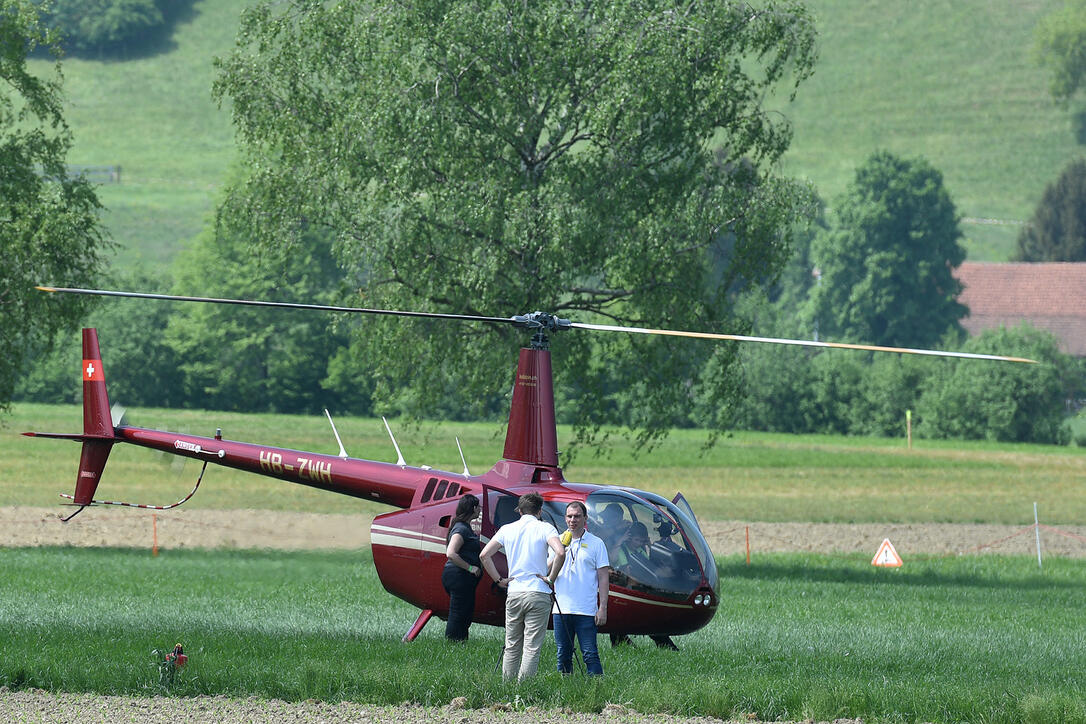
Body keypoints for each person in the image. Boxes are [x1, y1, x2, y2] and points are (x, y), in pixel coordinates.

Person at [479, 492, 565, 683]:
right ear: (540, 511)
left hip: (515, 591)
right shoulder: (545, 528)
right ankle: (523, 689)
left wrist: (499, 579)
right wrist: (550, 578)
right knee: (531, 646)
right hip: (538, 592)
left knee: (511, 645)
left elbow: (484, 555)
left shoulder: (507, 529)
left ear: (519, 510)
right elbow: (560, 552)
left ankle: (506, 686)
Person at [552, 500, 608, 676]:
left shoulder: (596, 543)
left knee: (590, 653)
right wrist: (561, 551)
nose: (573, 520)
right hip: (561, 608)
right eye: (569, 516)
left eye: (577, 516)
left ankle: (596, 688)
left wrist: (603, 608)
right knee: (563, 654)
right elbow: (546, 570)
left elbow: (603, 577)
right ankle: (566, 688)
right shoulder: (557, 541)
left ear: (585, 518)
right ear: (565, 518)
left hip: (586, 609)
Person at [441, 494, 483, 641]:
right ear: (473, 508)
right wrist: (471, 568)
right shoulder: (461, 529)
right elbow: (451, 553)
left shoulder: (465, 527)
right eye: (478, 507)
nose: (480, 509)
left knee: (465, 611)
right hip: (459, 576)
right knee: (458, 612)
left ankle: (461, 641)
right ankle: (453, 642)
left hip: (461, 577)